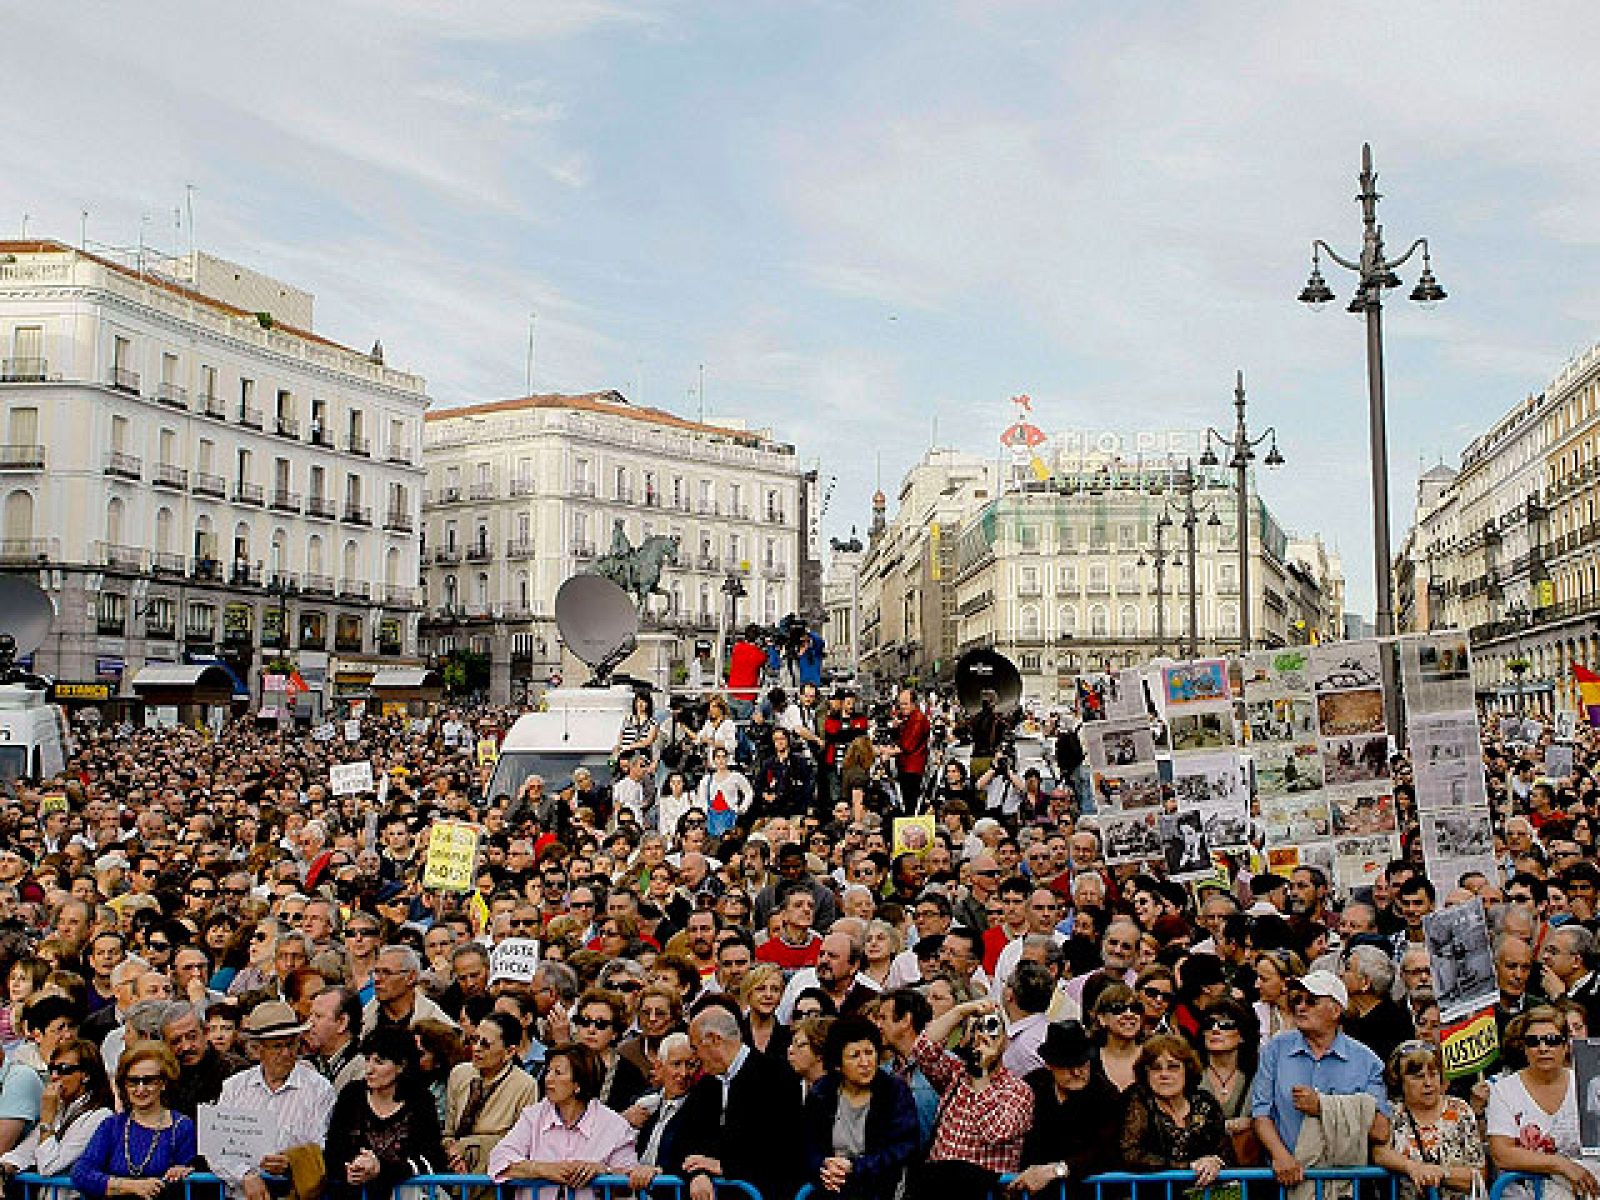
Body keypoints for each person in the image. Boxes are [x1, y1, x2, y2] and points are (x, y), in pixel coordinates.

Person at [1250, 970, 1388, 1187]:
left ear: (1335, 1011)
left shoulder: (1367, 1061)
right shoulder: (1275, 1049)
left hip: (1346, 1184)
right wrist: (1280, 1156)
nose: (1300, 1007)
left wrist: (1324, 1107)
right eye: (1297, 1000)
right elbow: (1261, 1113)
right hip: (1285, 1182)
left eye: (1311, 1001)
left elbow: (1380, 1130)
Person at [667, 1005, 803, 1200]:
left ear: (714, 1039)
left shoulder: (777, 1078)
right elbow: (684, 1140)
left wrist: (725, 1167)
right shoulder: (706, 1085)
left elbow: (782, 1150)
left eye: (696, 1048)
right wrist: (698, 1173)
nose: (694, 1058)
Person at [209, 1001, 336, 1200]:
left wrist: (291, 1162)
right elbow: (216, 1147)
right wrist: (245, 1175)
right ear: (257, 1050)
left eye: (291, 1044)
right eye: (277, 1046)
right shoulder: (234, 1088)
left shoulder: (319, 1089)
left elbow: (320, 1145)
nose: (286, 1053)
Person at [909, 997, 1033, 1198]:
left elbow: (995, 1132)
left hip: (983, 1193)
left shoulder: (1018, 1090)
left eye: (992, 1028)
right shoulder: (955, 1073)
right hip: (936, 1189)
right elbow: (922, 1049)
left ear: (1006, 1041)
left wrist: (981, 1073)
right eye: (977, 1028)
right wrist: (961, 1011)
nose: (983, 1036)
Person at [487, 1042, 638, 1200]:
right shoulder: (533, 1116)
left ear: (578, 1084)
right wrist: (544, 1169)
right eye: (548, 1071)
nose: (548, 1079)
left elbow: (628, 1184)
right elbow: (499, 1159)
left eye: (557, 1073)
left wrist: (603, 1172)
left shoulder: (614, 1125)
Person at [799, 1015, 920, 1200]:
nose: (865, 1063)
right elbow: (808, 1145)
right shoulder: (822, 1092)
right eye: (854, 1056)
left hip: (881, 1187)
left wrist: (855, 1167)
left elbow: (903, 1147)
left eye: (869, 1053)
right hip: (832, 1186)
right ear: (838, 1064)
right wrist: (824, 1167)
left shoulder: (894, 1091)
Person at [1486, 1006, 1600, 1200]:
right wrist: (1561, 1165)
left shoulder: (1588, 1084)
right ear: (1524, 1048)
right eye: (1533, 1042)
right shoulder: (1504, 1090)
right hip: (1524, 1193)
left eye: (1552, 1041)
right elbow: (1502, 1154)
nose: (1543, 1048)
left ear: (1566, 1046)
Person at [323, 1026, 446, 1200]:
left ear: (401, 1066)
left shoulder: (420, 1100)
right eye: (367, 1060)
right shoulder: (352, 1095)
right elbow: (333, 1152)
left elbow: (431, 1159)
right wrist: (351, 1170)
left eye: (379, 1062)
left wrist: (381, 1169)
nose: (369, 1069)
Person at [69, 1044, 196, 1200]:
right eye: (133, 1081)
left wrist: (182, 1173)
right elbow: (81, 1172)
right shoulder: (111, 1125)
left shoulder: (182, 1126)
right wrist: (129, 1186)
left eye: (149, 1081)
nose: (140, 1089)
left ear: (163, 1083)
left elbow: (191, 1181)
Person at [1011, 1020, 1121, 1196]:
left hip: (1089, 1193)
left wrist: (1057, 1170)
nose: (1077, 1072)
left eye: (1083, 1063)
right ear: (1049, 1065)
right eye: (1068, 1065)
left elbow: (1107, 1150)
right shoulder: (1032, 1086)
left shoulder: (1105, 1094)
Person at [1371, 1041, 1484, 1200]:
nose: (1428, 1083)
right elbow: (1379, 1153)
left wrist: (1440, 1174)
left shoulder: (1460, 1110)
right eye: (1418, 1077)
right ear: (1400, 1080)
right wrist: (1413, 1168)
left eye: (1433, 1074)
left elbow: (1478, 1175)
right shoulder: (1391, 1113)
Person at [1118, 1034, 1230, 1183]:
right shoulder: (1137, 1100)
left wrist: (1215, 1161)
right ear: (1146, 1073)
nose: (1164, 1074)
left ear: (1187, 1070)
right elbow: (1130, 1154)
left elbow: (1225, 1150)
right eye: (1156, 1068)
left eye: (1173, 1067)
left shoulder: (1205, 1102)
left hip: (1204, 1193)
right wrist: (1187, 1167)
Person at [0, 1038, 113, 1183]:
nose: (54, 1076)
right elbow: (24, 1152)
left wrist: (47, 1120)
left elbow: (49, 1166)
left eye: (63, 1069)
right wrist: (3, 1168)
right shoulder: (59, 1110)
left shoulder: (100, 1116)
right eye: (51, 1069)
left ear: (86, 1074)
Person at [442, 1010, 540, 1173]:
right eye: (474, 1040)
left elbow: (523, 1143)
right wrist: (454, 1153)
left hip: (495, 1174)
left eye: (485, 1044)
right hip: (454, 1168)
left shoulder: (525, 1085)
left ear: (509, 1052)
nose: (476, 1048)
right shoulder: (459, 1073)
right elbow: (448, 1131)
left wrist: (471, 1148)